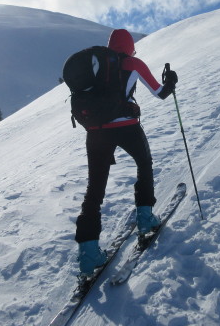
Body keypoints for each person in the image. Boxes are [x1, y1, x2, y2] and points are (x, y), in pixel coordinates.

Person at [75, 28, 178, 276]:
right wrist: (171, 81)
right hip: (127, 128)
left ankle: (88, 254)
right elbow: (160, 93)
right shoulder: (133, 63)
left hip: (97, 132)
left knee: (95, 189)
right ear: (130, 46)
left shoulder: (95, 66)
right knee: (144, 164)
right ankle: (145, 217)